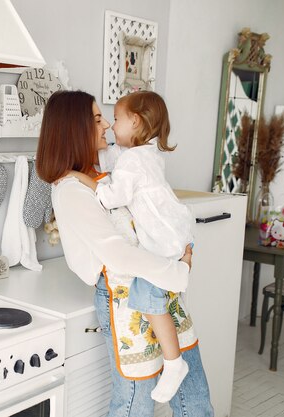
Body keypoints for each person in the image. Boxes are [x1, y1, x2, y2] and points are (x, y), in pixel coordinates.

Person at [36, 90, 213, 416]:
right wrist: (179, 271)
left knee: (195, 394)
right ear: (74, 128)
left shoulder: (111, 167)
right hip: (127, 296)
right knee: (135, 402)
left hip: (160, 285)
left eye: (108, 117)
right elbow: (117, 255)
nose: (105, 124)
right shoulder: (71, 189)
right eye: (96, 118)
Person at [69, 90, 195, 402]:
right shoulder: (145, 154)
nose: (110, 127)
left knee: (147, 295)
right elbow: (110, 157)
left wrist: (80, 177)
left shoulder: (132, 163)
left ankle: (173, 363)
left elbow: (112, 196)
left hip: (166, 241)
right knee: (154, 297)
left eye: (114, 119)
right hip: (176, 231)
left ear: (135, 121)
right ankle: (174, 360)